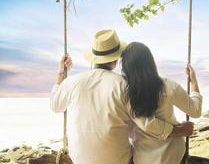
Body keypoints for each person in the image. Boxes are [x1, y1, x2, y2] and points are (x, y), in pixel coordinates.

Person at [50, 29, 194, 164]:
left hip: (80, 159)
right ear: (116, 59)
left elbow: (55, 106)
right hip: (118, 160)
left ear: (94, 58)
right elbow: (146, 123)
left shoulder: (73, 81)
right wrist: (180, 131)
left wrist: (61, 72)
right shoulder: (123, 85)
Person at [121, 42, 203, 164]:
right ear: (150, 63)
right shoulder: (169, 86)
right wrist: (194, 83)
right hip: (173, 154)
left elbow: (144, 123)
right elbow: (195, 111)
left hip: (144, 157)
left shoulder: (125, 93)